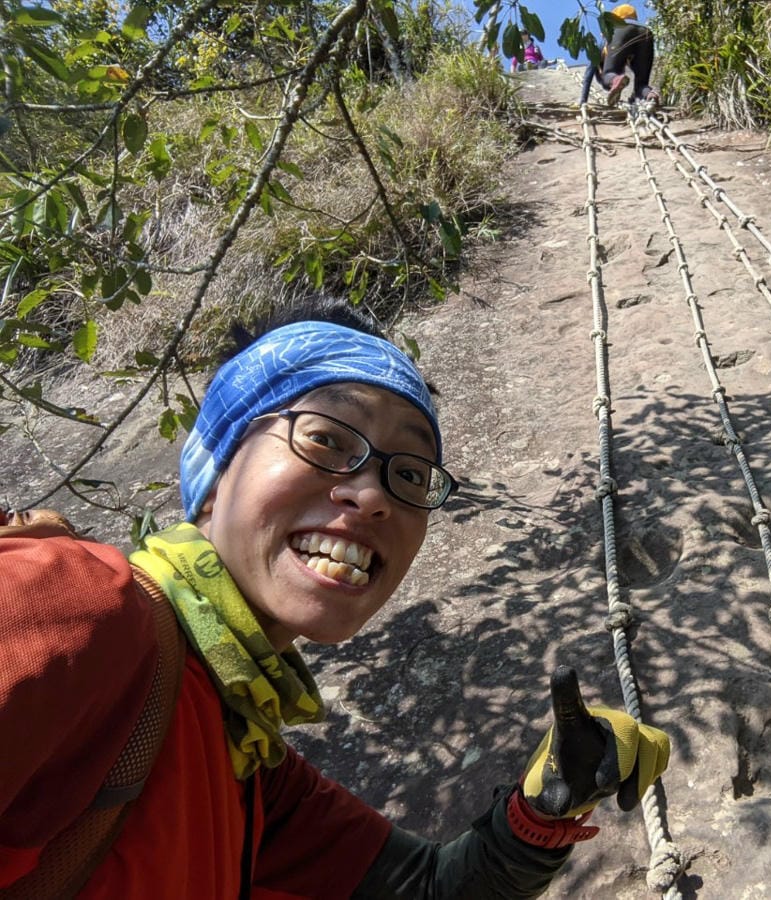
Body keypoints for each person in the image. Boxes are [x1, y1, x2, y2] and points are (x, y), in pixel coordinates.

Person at [0, 297, 670, 897]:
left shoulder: (245, 757)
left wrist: (545, 808)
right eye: (325, 439)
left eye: (408, 472)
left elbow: (427, 889)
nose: (372, 494)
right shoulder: (76, 606)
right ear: (213, 470)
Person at [581, 4, 659, 108]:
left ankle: (615, 79)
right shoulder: (628, 54)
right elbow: (636, 66)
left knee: (608, 74)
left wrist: (582, 101)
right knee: (641, 85)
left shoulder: (606, 38)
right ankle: (650, 95)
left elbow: (588, 74)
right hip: (646, 32)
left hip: (621, 30)